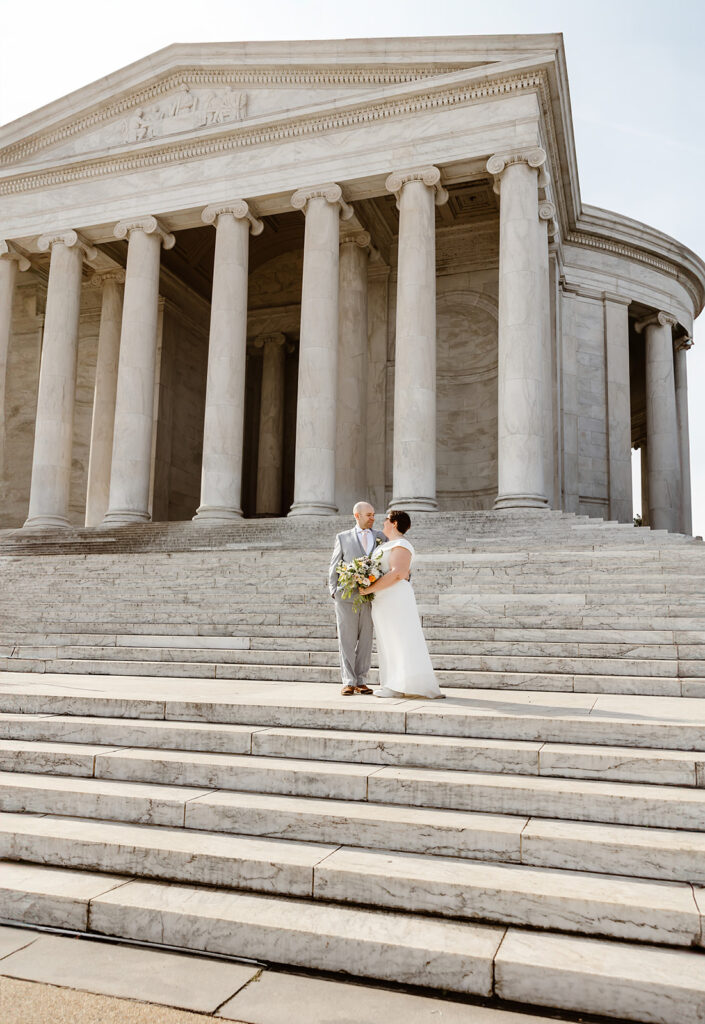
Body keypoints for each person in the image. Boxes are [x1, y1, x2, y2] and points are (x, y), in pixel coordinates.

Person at [359, 510, 444, 699]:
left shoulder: (402, 544)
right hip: (382, 599)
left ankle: (395, 686)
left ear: (395, 523)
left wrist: (368, 589)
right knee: (387, 640)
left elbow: (398, 573)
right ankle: (392, 683)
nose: (382, 522)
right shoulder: (387, 545)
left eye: (387, 519)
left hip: (395, 598)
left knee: (399, 639)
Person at [329, 501, 387, 696]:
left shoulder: (381, 537)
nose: (373, 518)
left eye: (373, 514)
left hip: (372, 596)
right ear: (357, 516)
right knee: (346, 639)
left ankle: (361, 680)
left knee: (365, 640)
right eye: (369, 514)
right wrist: (333, 590)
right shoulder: (343, 537)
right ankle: (348, 681)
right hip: (346, 596)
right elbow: (335, 564)